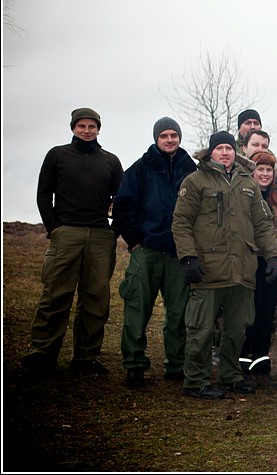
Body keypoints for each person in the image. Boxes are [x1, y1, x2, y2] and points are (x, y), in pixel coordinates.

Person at [171, 131, 277, 399]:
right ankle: (195, 381)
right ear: (211, 152)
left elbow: (262, 223)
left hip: (242, 269)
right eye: (219, 148)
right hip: (208, 269)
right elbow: (181, 222)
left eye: (229, 148)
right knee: (201, 328)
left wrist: (272, 255)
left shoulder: (248, 183)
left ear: (235, 152)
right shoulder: (195, 181)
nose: (224, 152)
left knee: (238, 327)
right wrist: (188, 257)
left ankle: (231, 375)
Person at [22, 108, 123, 376]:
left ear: (98, 129)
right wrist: (54, 228)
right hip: (66, 234)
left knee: (95, 299)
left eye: (92, 126)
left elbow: (122, 199)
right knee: (55, 294)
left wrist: (114, 231)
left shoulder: (111, 161)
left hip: (100, 236)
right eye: (82, 126)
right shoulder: (57, 155)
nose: (87, 131)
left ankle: (85, 357)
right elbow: (43, 194)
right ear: (73, 128)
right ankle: (42, 352)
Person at [111, 116, 196, 388]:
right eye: (164, 136)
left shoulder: (190, 169)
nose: (169, 140)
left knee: (179, 313)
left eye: (174, 135)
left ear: (179, 137)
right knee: (138, 310)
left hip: (178, 253)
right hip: (147, 250)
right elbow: (122, 207)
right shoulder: (140, 168)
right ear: (156, 138)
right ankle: (135, 365)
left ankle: (176, 365)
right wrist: (135, 242)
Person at [239, 149, 277, 388]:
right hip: (247, 260)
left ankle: (262, 368)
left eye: (268, 170)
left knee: (267, 314)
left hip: (272, 261)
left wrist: (269, 238)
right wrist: (261, 239)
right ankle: (242, 368)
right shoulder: (242, 193)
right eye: (260, 169)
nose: (264, 174)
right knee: (247, 315)